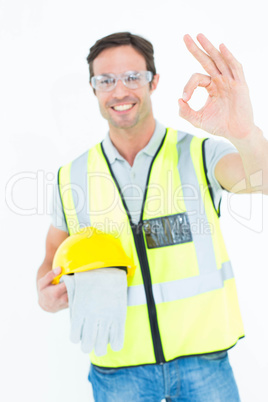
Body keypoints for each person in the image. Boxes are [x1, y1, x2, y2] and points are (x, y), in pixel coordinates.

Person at [37, 32, 268, 401]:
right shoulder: (72, 176)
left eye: (132, 76)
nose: (120, 90)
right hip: (119, 370)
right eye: (106, 80)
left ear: (153, 81)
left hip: (203, 363)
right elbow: (51, 259)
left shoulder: (199, 154)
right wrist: (45, 294)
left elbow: (261, 181)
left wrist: (245, 133)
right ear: (94, 89)